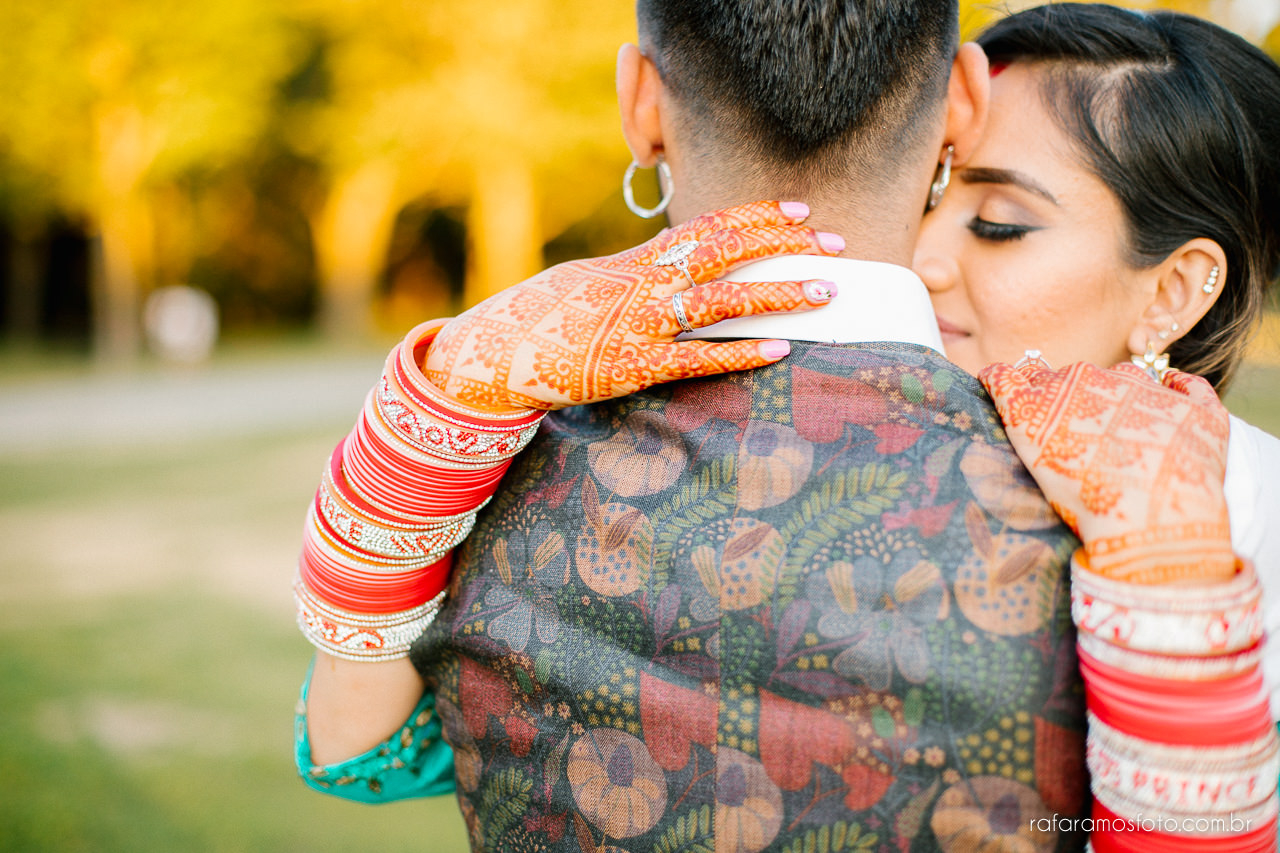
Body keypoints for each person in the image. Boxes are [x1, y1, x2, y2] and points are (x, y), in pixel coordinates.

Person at [293, 3, 1279, 850]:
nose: (923, 255)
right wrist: (423, 424)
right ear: (952, 108)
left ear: (1175, 290)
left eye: (997, 224)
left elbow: (365, 749)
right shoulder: (525, 423)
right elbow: (373, 750)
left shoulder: (1236, 520)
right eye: (937, 188)